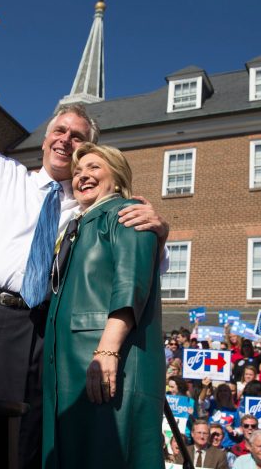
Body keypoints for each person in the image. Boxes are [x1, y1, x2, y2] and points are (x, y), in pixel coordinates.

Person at [0, 5, 169, 469]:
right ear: (47, 136)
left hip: (32, 328)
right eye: (60, 130)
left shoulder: (90, 208)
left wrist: (158, 232)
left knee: (15, 445)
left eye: (79, 137)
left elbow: (135, 263)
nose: (67, 140)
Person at [42, 143, 165, 468]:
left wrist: (107, 351)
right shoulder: (76, 227)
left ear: (118, 175)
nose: (83, 176)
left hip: (107, 362)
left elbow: (131, 282)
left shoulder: (127, 212)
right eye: (79, 171)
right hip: (71, 367)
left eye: (94, 168)